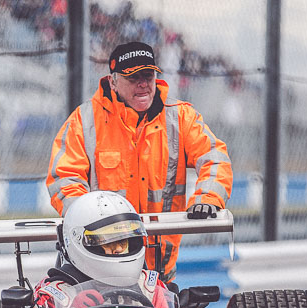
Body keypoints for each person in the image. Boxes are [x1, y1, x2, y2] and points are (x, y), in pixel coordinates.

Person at [46, 41, 232, 282]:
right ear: (112, 81)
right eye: (134, 78)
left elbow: (215, 157)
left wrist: (208, 198)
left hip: (159, 271)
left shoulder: (181, 117)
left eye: (148, 75)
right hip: (97, 268)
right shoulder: (84, 120)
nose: (143, 84)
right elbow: (64, 178)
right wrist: (89, 221)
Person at [4, 191, 171, 308]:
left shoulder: (149, 286)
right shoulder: (55, 295)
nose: (117, 250)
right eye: (106, 242)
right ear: (79, 241)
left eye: (122, 241)